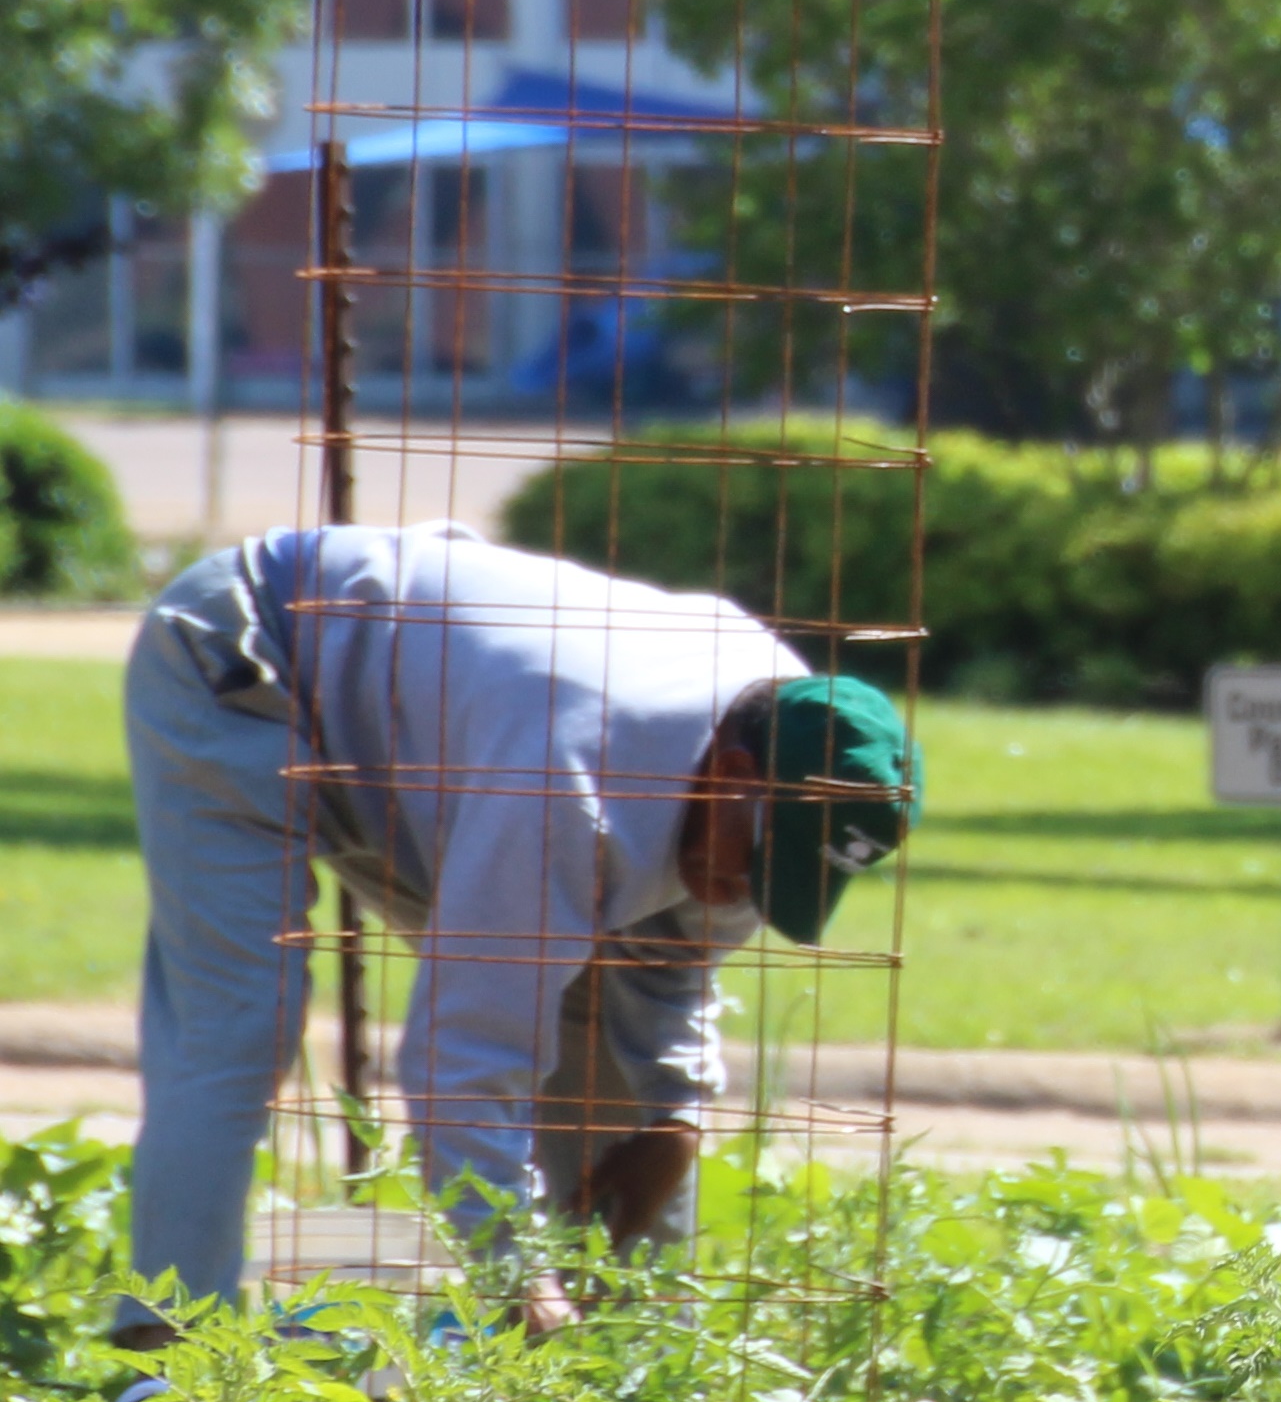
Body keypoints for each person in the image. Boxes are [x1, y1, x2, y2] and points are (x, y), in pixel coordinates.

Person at [118, 520, 923, 1344]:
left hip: (435, 728)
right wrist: (513, 1272)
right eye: (757, 861)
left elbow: (669, 963)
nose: (745, 892)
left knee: (623, 1093)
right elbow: (462, 1055)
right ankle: (166, 1364)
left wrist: (674, 1119)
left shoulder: (785, 755)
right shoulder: (574, 781)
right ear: (733, 776)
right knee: (243, 1021)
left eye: (782, 880)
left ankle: (625, 1367)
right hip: (258, 650)